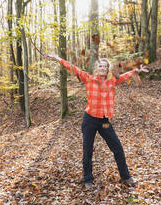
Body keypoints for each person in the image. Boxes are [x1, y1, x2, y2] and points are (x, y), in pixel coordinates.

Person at [45, 52, 148, 189]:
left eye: (105, 66)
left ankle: (126, 177)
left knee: (117, 148)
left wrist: (136, 70)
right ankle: (88, 179)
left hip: (105, 121)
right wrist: (58, 58)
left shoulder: (112, 81)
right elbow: (73, 68)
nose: (102, 68)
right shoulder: (89, 79)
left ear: (108, 69)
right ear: (96, 68)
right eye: (100, 66)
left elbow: (124, 76)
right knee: (88, 150)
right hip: (90, 120)